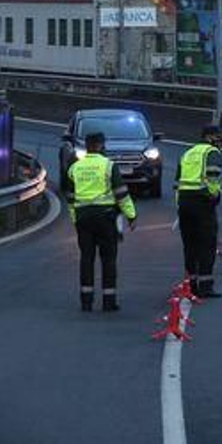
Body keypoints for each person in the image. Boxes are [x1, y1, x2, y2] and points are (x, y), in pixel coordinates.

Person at [65, 131, 137, 312]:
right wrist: (131, 216)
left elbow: (70, 198)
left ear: (87, 146)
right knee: (108, 259)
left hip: (83, 218)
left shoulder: (75, 168)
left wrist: (75, 219)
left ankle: (86, 301)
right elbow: (121, 194)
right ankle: (108, 301)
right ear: (101, 145)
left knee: (86, 258)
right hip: (105, 217)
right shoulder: (108, 166)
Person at [175, 123, 222, 299]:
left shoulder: (188, 153)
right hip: (202, 202)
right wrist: (214, 195)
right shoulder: (211, 152)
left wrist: (179, 205)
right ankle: (205, 286)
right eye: (218, 137)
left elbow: (177, 183)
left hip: (184, 203)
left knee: (190, 245)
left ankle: (191, 285)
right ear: (209, 137)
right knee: (207, 244)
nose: (220, 140)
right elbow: (213, 174)